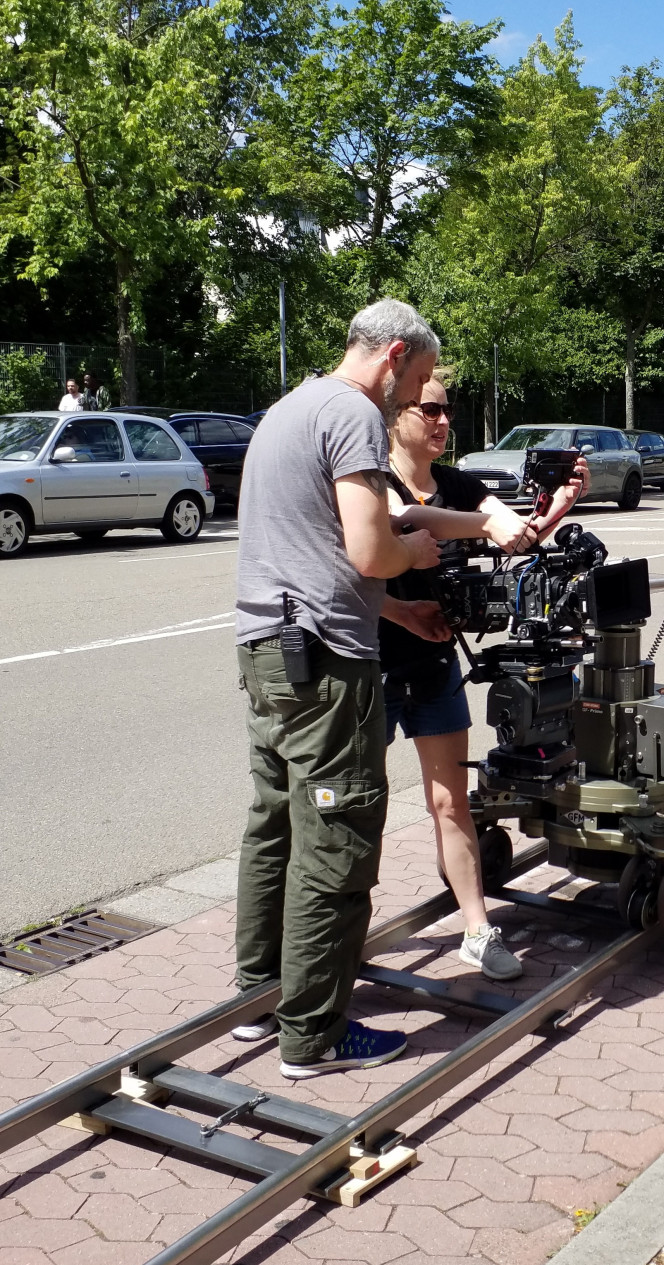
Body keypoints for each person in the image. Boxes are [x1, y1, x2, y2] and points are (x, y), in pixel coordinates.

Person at [231, 298, 444, 1079]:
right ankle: (314, 1035)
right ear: (392, 356)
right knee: (338, 836)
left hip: (266, 651)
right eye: (416, 379)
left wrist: (396, 611)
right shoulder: (353, 415)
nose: (412, 396)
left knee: (275, 824)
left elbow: (304, 553)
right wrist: (413, 555)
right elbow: (366, 548)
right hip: (327, 664)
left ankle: (259, 996)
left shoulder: (285, 410)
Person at [379, 376, 589, 980]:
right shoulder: (375, 480)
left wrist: (556, 508)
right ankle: (339, 937)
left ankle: (476, 927)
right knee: (363, 809)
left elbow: (512, 533)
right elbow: (404, 521)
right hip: (374, 660)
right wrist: (483, 526)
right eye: (431, 409)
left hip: (436, 661)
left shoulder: (460, 485)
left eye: (449, 410)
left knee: (450, 802)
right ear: (397, 417)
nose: (444, 421)